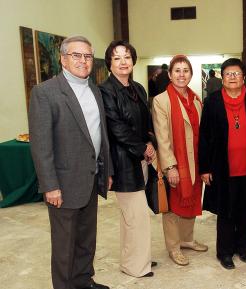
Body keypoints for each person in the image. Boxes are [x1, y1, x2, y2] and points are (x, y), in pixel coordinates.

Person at [29, 36, 113, 289]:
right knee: (65, 246)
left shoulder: (94, 90)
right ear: (63, 59)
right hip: (63, 186)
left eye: (87, 56)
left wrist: (105, 170)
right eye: (76, 55)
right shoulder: (45, 93)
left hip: (90, 178)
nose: (83, 61)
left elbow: (99, 135)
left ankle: (83, 280)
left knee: (87, 239)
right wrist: (50, 186)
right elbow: (41, 145)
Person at [199, 58, 246, 270]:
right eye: (228, 73)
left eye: (236, 73)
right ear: (222, 77)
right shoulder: (212, 102)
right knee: (226, 211)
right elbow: (204, 137)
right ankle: (225, 253)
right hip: (222, 167)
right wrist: (205, 167)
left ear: (244, 76)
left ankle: (243, 248)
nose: (232, 77)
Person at [99, 40, 157, 278]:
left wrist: (151, 142)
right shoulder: (105, 90)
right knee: (136, 217)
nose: (123, 62)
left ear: (133, 60)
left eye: (127, 57)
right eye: (117, 57)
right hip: (123, 161)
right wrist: (143, 147)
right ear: (109, 63)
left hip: (141, 157)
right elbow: (116, 128)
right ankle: (136, 266)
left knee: (132, 218)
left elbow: (146, 121)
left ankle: (135, 258)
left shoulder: (138, 88)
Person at [152, 55, 208, 266]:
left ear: (191, 75)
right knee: (173, 207)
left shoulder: (196, 99)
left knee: (192, 200)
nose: (181, 74)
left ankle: (187, 239)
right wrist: (170, 167)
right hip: (176, 162)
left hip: (195, 161)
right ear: (170, 74)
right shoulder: (161, 101)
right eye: (177, 70)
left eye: (186, 71)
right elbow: (162, 137)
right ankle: (174, 247)